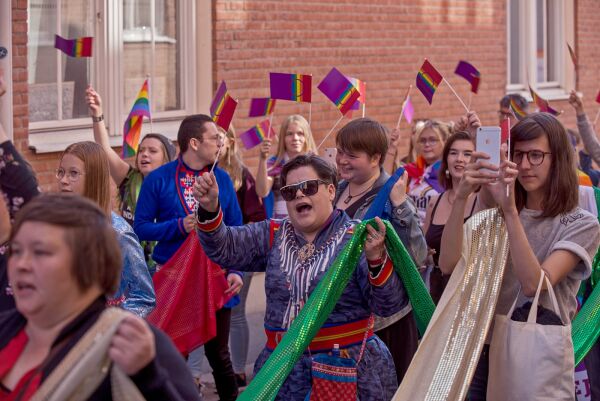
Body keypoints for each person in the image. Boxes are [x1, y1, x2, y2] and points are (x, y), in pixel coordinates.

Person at [194, 154, 409, 401]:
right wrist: (210, 208)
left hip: (345, 369)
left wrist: (375, 258)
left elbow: (388, 304)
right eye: (289, 191)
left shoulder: (357, 239)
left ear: (330, 191)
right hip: (282, 370)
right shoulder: (273, 233)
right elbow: (223, 248)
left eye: (308, 187)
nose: (298, 195)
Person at [439, 112, 600, 399]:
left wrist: (511, 211)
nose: (525, 165)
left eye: (536, 155)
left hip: (532, 354)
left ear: (559, 159)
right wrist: (463, 196)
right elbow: (448, 263)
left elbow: (534, 285)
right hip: (480, 348)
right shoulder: (497, 206)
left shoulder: (580, 223)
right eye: (518, 154)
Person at [0, 193, 200, 400]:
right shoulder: (6, 329)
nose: (21, 264)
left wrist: (149, 379)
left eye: (40, 252)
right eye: (15, 251)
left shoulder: (136, 346)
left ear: (88, 264)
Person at [134, 114, 243, 401]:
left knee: (219, 354)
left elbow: (236, 228)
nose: (221, 144)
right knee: (172, 353)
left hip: (216, 277)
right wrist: (178, 226)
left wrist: (236, 271)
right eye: (214, 139)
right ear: (193, 143)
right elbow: (141, 226)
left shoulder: (221, 178)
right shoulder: (158, 179)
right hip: (174, 279)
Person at [333, 117, 427, 384]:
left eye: (351, 155)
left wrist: (400, 205)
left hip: (385, 322)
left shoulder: (393, 196)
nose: (341, 160)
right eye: (340, 151)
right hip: (344, 316)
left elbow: (417, 256)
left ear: (375, 158)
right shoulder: (336, 190)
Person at [57, 141, 155, 318]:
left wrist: (108, 326)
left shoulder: (117, 233)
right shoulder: (54, 225)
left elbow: (144, 297)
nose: (64, 180)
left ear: (93, 178)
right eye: (61, 172)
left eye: (73, 174)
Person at [86, 86, 176, 272]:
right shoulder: (129, 179)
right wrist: (98, 114)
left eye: (152, 151)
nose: (144, 154)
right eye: (141, 150)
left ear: (166, 158)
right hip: (129, 265)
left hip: (162, 266)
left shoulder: (175, 186)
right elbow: (104, 149)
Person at [219, 125, 267, 387]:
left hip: (238, 253)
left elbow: (257, 217)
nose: (217, 140)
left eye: (221, 134)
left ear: (230, 140)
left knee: (236, 312)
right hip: (207, 257)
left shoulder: (241, 175)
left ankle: (238, 370)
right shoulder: (200, 175)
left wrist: (232, 236)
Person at [423, 131, 477, 304]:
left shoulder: (482, 200)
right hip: (437, 291)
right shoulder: (434, 201)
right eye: (453, 153)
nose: (459, 159)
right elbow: (424, 248)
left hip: (468, 293)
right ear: (446, 161)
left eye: (467, 154)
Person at [255, 115, 317, 218]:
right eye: (289, 134)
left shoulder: (315, 163)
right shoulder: (274, 163)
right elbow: (262, 192)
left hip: (310, 220)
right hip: (281, 223)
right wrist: (262, 159)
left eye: (300, 133)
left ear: (307, 137)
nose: (295, 138)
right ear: (283, 138)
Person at [403, 120, 451, 225]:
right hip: (410, 233)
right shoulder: (410, 171)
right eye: (422, 140)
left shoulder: (450, 173)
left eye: (433, 140)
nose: (427, 144)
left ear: (445, 142)